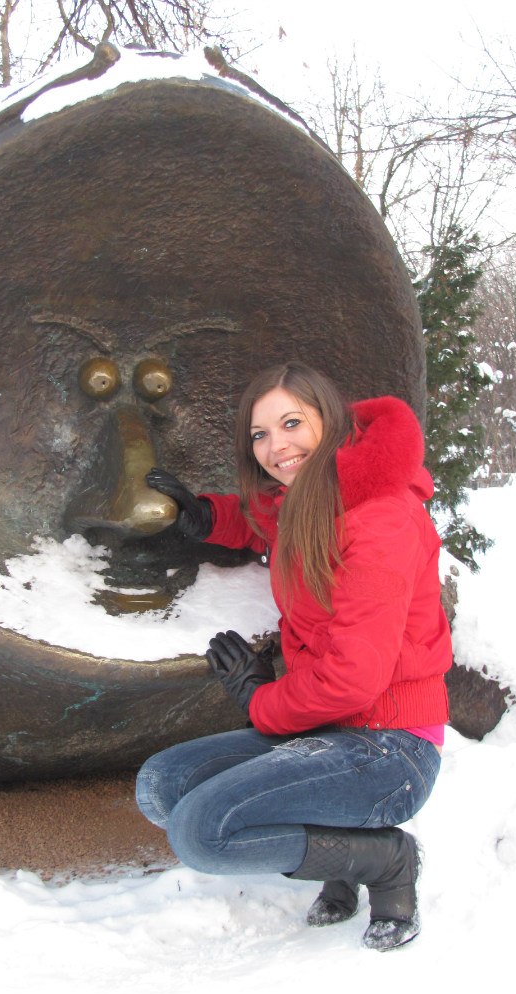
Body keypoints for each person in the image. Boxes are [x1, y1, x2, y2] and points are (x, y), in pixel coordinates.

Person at [138, 361, 452, 951]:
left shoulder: (380, 517)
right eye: (260, 434)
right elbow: (267, 523)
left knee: (202, 833)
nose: (276, 446)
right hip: (328, 732)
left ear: (328, 421)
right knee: (163, 784)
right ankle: (343, 852)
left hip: (392, 746)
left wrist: (261, 699)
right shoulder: (312, 499)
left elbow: (355, 678)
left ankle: (385, 860)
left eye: (291, 424)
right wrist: (209, 517)